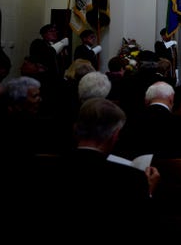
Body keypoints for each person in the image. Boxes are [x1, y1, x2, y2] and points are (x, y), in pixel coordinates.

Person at [56, 98, 161, 244]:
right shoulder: (129, 178)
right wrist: (148, 192)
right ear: (114, 136)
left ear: (76, 129)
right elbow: (141, 228)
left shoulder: (48, 168)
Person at [115, 81, 181, 160]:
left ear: (146, 101)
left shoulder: (130, 122)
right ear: (171, 100)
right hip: (173, 172)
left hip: (139, 172)